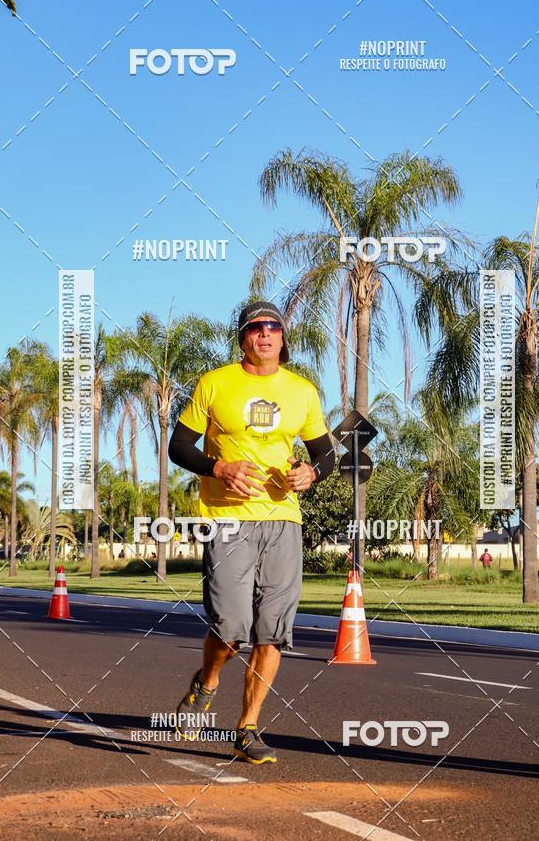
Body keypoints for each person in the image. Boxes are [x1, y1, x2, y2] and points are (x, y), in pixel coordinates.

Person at [168, 300, 335, 764]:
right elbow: (178, 446)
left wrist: (311, 474)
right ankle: (207, 683)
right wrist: (218, 466)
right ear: (243, 338)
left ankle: (247, 728)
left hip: (283, 519)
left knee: (272, 633)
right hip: (228, 519)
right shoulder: (215, 384)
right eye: (255, 327)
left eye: (273, 327)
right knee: (229, 628)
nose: (265, 334)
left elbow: (326, 454)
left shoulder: (302, 391)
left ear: (283, 338)